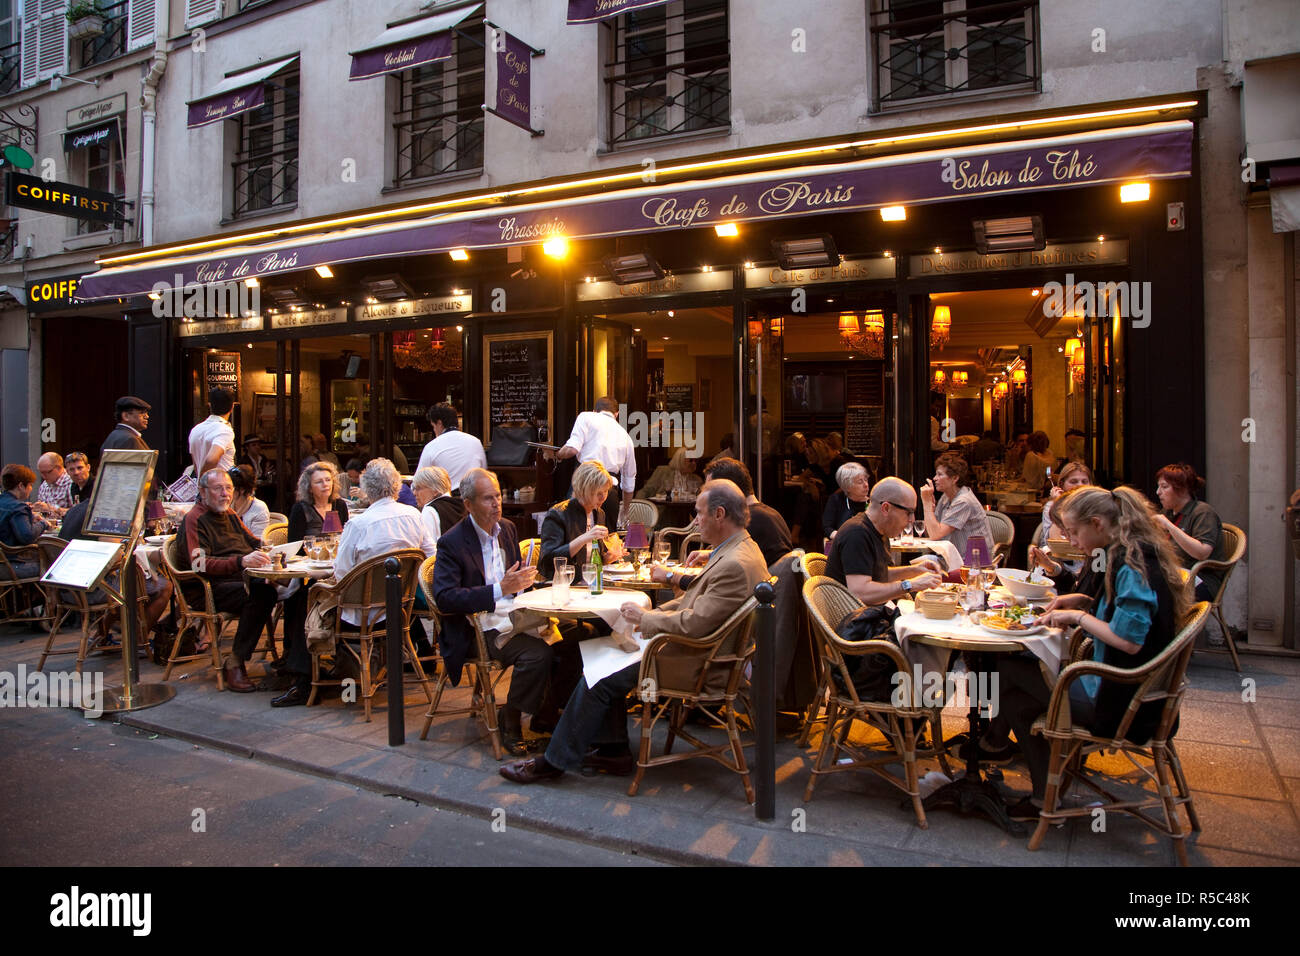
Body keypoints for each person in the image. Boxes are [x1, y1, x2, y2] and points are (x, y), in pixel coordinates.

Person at [499, 479, 770, 785]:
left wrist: (647, 619)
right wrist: (650, 616)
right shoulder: (741, 549)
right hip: (699, 651)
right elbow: (695, 603)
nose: (695, 520)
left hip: (695, 662)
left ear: (719, 514)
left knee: (599, 672)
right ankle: (612, 749)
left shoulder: (733, 562)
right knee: (602, 648)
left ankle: (554, 762)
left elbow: (696, 623)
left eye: (699, 513)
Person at [992, 486, 1188, 819]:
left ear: (1097, 523)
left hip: (1122, 702)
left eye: (1073, 531)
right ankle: (1033, 777)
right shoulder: (1135, 551)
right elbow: (1126, 616)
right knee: (1013, 692)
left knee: (1006, 670)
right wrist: (1084, 602)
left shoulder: (1131, 564)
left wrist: (1079, 617)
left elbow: (1129, 641)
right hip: (1141, 693)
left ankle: (1018, 770)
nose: (1070, 540)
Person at [434, 468, 569, 755]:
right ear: (468, 505)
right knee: (537, 654)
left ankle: (546, 711)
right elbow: (445, 598)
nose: (497, 504)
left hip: (514, 615)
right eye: (487, 499)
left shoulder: (507, 528)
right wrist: (500, 590)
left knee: (576, 637)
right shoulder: (452, 542)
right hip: (477, 627)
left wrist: (526, 585)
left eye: (497, 496)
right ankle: (510, 718)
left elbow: (515, 581)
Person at [176, 469, 277, 692]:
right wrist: (241, 562)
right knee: (263, 593)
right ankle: (235, 662)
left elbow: (253, 542)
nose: (225, 494)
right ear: (202, 492)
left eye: (229, 488)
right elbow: (199, 565)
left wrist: (274, 551)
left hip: (238, 579)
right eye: (218, 488)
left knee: (296, 588)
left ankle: (292, 660)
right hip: (208, 588)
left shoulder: (229, 514)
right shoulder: (195, 519)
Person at [662, 457, 792, 572]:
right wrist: (710, 555)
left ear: (728, 488)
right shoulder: (770, 514)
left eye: (710, 489)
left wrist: (670, 575)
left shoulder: (747, 521)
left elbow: (726, 571)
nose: (706, 494)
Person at [826, 477, 943, 605]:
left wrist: (915, 570)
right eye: (909, 512)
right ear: (886, 508)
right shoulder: (856, 533)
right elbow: (860, 592)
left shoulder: (878, 530)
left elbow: (879, 575)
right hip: (858, 621)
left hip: (873, 616)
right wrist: (910, 584)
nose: (912, 520)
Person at [539, 460, 626, 585]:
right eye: (598, 493)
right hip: (563, 585)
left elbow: (591, 560)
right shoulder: (558, 514)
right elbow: (548, 561)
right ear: (583, 490)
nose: (603, 498)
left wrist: (608, 558)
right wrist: (584, 538)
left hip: (590, 583)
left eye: (606, 491)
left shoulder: (599, 513)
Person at [555, 397, 637, 529]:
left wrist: (557, 454)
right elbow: (629, 482)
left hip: (585, 485)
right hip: (608, 492)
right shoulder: (626, 437)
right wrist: (625, 512)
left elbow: (572, 449)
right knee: (607, 540)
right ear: (616, 414)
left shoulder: (586, 417)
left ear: (595, 411)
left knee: (576, 535)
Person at [1153, 462, 1225, 602]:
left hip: (1200, 580)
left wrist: (1169, 526)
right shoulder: (1168, 512)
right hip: (1174, 574)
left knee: (1153, 589)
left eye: (1164, 487)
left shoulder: (1203, 512)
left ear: (1182, 489)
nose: (1158, 492)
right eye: (1158, 486)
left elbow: (1202, 552)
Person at [920, 452, 994, 561]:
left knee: (926, 564)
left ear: (954, 478)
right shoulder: (946, 497)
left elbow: (935, 534)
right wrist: (930, 509)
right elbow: (930, 533)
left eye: (940, 475)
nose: (935, 478)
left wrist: (926, 504)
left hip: (974, 564)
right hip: (952, 559)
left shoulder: (964, 501)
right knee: (923, 564)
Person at [417, 403, 486, 491]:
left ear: (439, 423)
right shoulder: (476, 442)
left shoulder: (431, 446)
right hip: (474, 498)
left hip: (447, 500)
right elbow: (484, 472)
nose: (434, 430)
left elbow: (418, 482)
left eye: (433, 426)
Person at [0, 465, 49, 579]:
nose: (31, 488)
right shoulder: (18, 507)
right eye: (30, 485)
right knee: (53, 566)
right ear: (21, 486)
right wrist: (43, 524)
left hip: (4, 563)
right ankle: (47, 597)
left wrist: (29, 519)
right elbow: (27, 536)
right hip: (12, 566)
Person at [189, 387, 237, 478]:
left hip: (206, 489)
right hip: (220, 487)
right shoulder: (224, 430)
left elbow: (196, 464)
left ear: (210, 405)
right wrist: (202, 480)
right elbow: (211, 459)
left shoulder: (196, 429)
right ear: (232, 407)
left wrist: (201, 481)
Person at [823, 462, 870, 540]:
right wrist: (842, 537)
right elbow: (827, 528)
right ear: (847, 486)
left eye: (866, 480)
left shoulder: (873, 501)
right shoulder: (836, 500)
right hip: (843, 544)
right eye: (860, 482)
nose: (866, 485)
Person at [229, 464, 271, 539]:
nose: (226, 492)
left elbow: (257, 543)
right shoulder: (227, 505)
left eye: (229, 487)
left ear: (242, 490)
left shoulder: (259, 509)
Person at [238, 435, 277, 503]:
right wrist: (263, 475)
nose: (257, 447)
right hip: (253, 489)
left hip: (265, 489)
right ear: (247, 447)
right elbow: (248, 478)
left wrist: (268, 473)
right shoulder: (244, 461)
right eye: (254, 445)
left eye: (259, 445)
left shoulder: (263, 458)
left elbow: (268, 473)